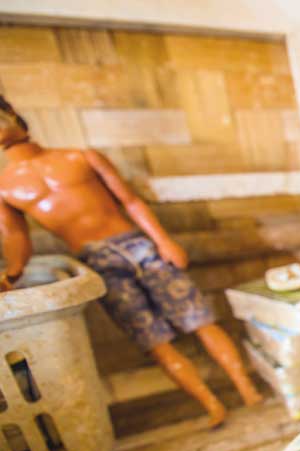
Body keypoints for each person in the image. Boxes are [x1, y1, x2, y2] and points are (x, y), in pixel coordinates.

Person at [0, 95, 261, 428]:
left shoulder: (79, 157)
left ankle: (246, 387)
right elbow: (15, 236)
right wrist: (14, 271)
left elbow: (131, 201)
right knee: (153, 340)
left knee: (197, 317)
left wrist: (163, 240)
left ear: (12, 115)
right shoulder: (5, 188)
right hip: (97, 262)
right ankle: (211, 405)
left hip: (138, 246)